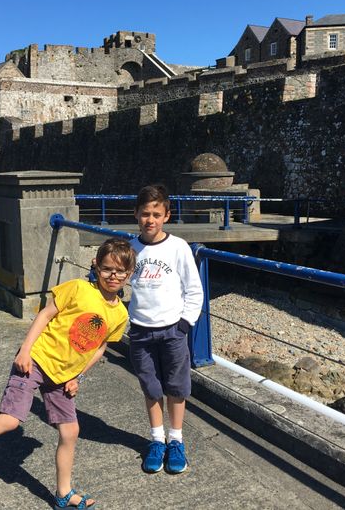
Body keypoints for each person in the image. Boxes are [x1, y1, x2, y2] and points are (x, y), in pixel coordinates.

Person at [0, 238, 136, 509]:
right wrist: (24, 350)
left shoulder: (121, 316)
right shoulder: (78, 288)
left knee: (70, 431)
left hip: (62, 376)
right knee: (9, 420)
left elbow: (99, 348)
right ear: (96, 266)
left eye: (120, 271)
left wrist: (76, 376)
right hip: (35, 360)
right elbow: (45, 315)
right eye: (107, 269)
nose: (113, 276)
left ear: (129, 274)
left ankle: (63, 492)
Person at [128, 185, 204, 474]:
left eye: (156, 214)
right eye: (145, 213)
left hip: (173, 330)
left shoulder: (178, 247)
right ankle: (156, 439)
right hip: (140, 332)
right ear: (136, 214)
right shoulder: (130, 249)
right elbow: (114, 279)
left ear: (167, 216)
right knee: (150, 387)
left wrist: (185, 324)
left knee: (176, 387)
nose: (150, 220)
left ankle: (176, 440)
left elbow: (194, 290)